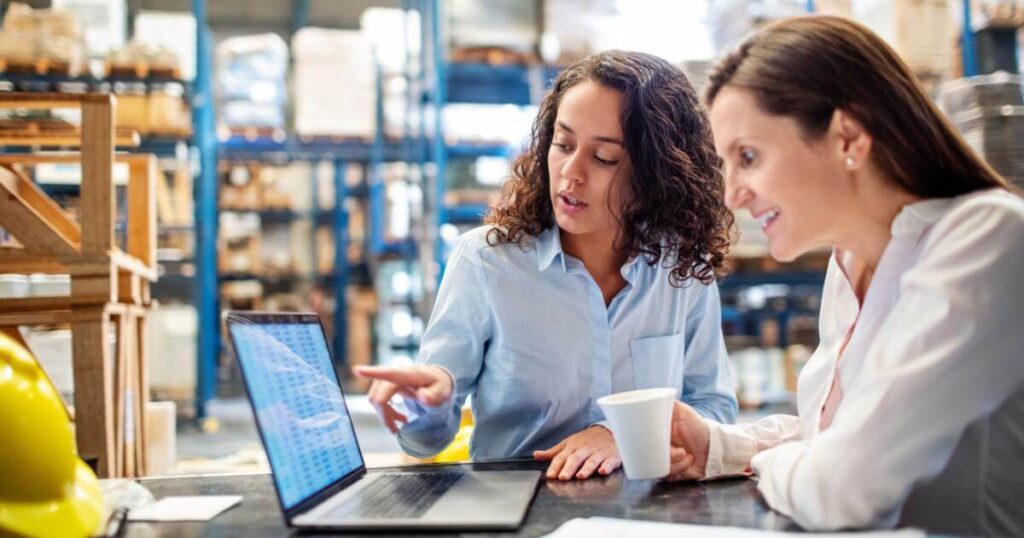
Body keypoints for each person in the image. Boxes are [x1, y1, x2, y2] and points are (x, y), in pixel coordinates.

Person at [665, 16, 1024, 536]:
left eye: (748, 156)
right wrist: (719, 447)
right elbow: (841, 433)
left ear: (848, 138)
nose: (732, 195)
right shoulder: (850, 261)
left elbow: (842, 488)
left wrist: (767, 464)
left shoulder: (986, 237)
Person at [355, 50, 738, 481]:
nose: (571, 173)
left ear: (657, 173)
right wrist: (429, 406)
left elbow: (715, 409)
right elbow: (425, 442)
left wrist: (620, 433)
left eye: (604, 158)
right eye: (563, 144)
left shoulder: (682, 268)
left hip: (647, 509)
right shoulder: (486, 261)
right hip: (519, 508)